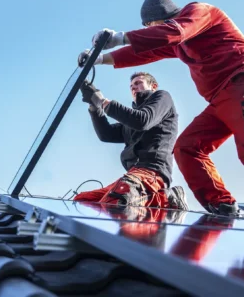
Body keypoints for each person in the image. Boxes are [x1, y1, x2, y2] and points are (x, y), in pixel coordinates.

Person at [77, 0, 244, 225]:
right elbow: (145, 52)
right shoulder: (179, 44)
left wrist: (121, 37)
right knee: (187, 148)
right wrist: (100, 59)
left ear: (158, 18)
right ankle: (221, 203)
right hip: (220, 100)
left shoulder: (199, 12)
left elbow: (173, 32)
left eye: (149, 25)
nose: (149, 30)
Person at [73, 71, 188, 211]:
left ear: (153, 86)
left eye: (138, 83)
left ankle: (168, 199)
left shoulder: (162, 97)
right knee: (83, 200)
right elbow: (106, 134)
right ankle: (145, 200)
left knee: (116, 201)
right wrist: (94, 107)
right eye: (131, 86)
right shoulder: (130, 123)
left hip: (153, 172)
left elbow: (142, 120)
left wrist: (102, 101)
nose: (134, 87)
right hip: (133, 174)